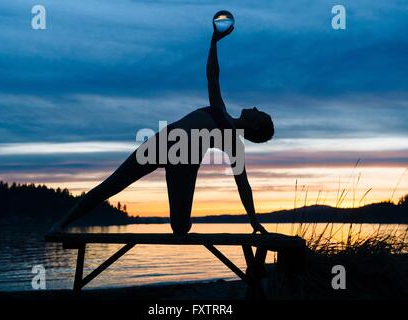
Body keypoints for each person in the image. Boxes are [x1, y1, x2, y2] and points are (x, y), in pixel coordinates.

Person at [51, 20, 274, 235]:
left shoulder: (233, 142)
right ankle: (61, 224)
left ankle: (184, 222)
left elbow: (243, 185)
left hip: (183, 159)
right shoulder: (220, 110)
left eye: (259, 112)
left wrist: (253, 220)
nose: (255, 107)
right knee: (111, 185)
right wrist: (213, 42)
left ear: (255, 125)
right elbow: (212, 76)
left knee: (179, 228)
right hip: (161, 142)